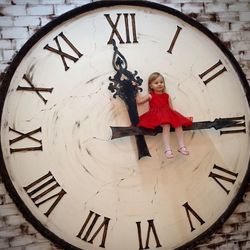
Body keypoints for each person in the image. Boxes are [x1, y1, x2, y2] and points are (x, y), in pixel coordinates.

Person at [136, 72, 192, 159]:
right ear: (151, 85)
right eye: (156, 83)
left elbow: (171, 110)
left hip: (167, 114)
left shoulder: (167, 96)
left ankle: (182, 146)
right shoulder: (150, 96)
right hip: (156, 116)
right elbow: (139, 101)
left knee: (178, 124)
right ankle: (167, 150)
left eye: (161, 82)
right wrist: (135, 89)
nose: (159, 84)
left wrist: (182, 119)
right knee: (166, 126)